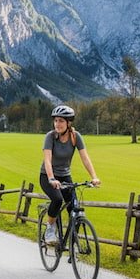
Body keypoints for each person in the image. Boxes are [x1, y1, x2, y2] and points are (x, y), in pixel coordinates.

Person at [39, 105, 101, 244]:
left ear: (69, 123)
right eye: (56, 120)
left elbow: (85, 158)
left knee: (75, 209)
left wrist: (94, 177)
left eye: (61, 121)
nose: (57, 124)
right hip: (47, 176)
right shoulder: (50, 137)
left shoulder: (75, 136)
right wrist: (51, 178)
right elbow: (47, 160)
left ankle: (73, 243)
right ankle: (49, 229)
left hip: (65, 176)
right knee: (57, 199)